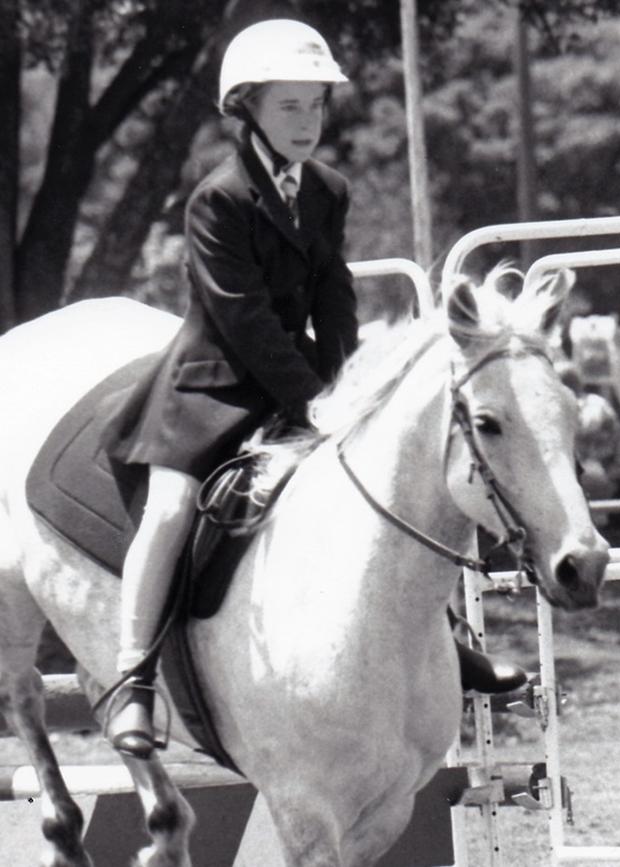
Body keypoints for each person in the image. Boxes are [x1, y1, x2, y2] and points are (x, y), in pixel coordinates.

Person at [102, 19, 524, 760]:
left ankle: (450, 639)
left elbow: (334, 297)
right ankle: (132, 677)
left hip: (296, 377)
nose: (308, 122)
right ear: (249, 107)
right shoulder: (217, 199)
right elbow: (245, 319)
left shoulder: (327, 188)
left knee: (386, 488)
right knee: (169, 510)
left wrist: (351, 387)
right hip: (209, 383)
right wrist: (319, 403)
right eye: (291, 106)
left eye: (316, 106)